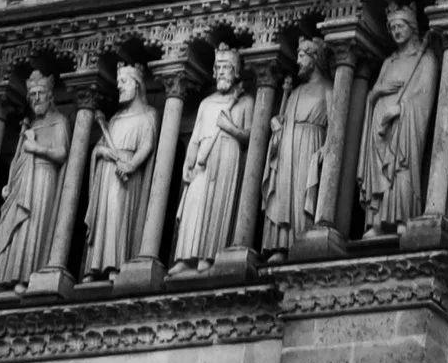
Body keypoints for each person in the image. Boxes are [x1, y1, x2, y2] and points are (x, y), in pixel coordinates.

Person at [356, 2, 440, 229]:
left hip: (405, 125)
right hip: (380, 126)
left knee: (401, 169)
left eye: (400, 26)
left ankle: (402, 218)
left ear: (412, 27)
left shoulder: (426, 59)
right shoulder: (388, 62)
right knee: (379, 173)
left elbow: (425, 95)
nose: (396, 32)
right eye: (392, 28)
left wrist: (401, 109)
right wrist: (377, 92)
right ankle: (376, 223)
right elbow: (372, 95)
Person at [171, 48, 250, 266]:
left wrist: (230, 128)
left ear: (236, 72)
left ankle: (208, 256)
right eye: (218, 68)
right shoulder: (206, 104)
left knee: (217, 205)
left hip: (227, 156)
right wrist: (188, 163)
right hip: (202, 160)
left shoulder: (245, 102)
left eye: (227, 68)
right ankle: (185, 258)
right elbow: (195, 138)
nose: (222, 72)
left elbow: (251, 136)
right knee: (194, 203)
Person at [0, 69, 70, 287]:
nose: (36, 99)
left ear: (50, 96)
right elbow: (18, 157)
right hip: (22, 180)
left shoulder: (60, 121)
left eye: (40, 93)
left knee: (32, 226)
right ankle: (2, 281)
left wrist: (36, 148)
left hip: (43, 178)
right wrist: (10, 183)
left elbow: (62, 152)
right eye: (32, 95)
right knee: (13, 229)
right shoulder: (30, 125)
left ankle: (25, 278)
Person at [83, 63, 158, 275]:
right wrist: (102, 152)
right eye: (118, 83)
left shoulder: (149, 114)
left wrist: (130, 165)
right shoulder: (114, 119)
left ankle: (116, 265)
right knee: (104, 216)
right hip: (108, 172)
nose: (119, 87)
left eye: (124, 82)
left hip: (126, 172)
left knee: (118, 214)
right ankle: (96, 266)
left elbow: (147, 144)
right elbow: (99, 147)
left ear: (137, 84)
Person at [262, 36, 332, 254]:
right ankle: (281, 246)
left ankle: (303, 241)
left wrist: (326, 148)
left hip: (311, 145)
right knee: (284, 192)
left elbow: (336, 126)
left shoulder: (328, 89)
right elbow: (284, 120)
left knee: (302, 194)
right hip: (288, 147)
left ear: (315, 58)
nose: (298, 61)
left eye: (302, 56)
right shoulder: (295, 93)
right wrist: (277, 127)